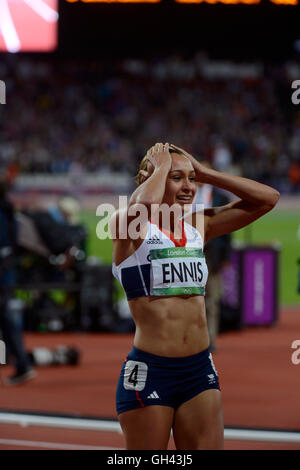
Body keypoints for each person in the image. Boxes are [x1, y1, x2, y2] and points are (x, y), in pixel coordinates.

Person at [111, 142, 279, 450]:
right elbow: (143, 209)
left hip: (199, 370)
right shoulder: (126, 225)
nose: (189, 186)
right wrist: (160, 168)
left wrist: (207, 173)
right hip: (151, 371)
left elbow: (267, 199)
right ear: (149, 178)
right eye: (178, 177)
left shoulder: (198, 224)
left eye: (191, 178)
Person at [0, 180, 36, 385]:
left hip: (2, 271)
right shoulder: (7, 208)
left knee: (6, 319)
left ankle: (22, 364)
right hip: (7, 270)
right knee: (6, 319)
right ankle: (22, 364)